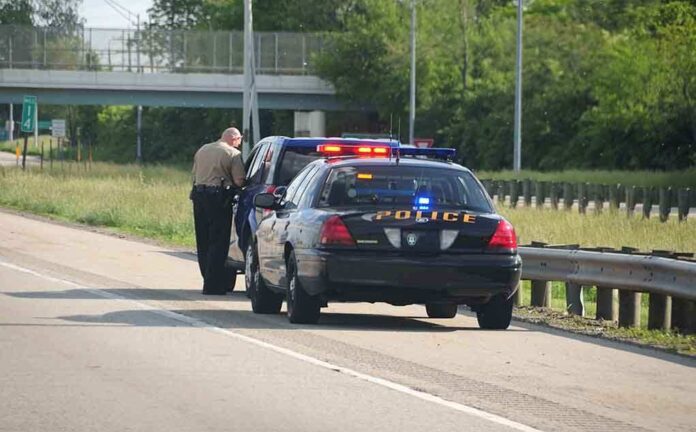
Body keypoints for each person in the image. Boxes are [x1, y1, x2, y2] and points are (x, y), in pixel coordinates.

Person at [190, 127, 246, 295]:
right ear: (235, 139)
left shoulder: (203, 150)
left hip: (198, 196)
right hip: (218, 198)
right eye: (239, 141)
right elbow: (239, 180)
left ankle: (207, 277)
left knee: (204, 240)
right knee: (218, 240)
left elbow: (194, 174)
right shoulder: (233, 154)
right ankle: (213, 285)